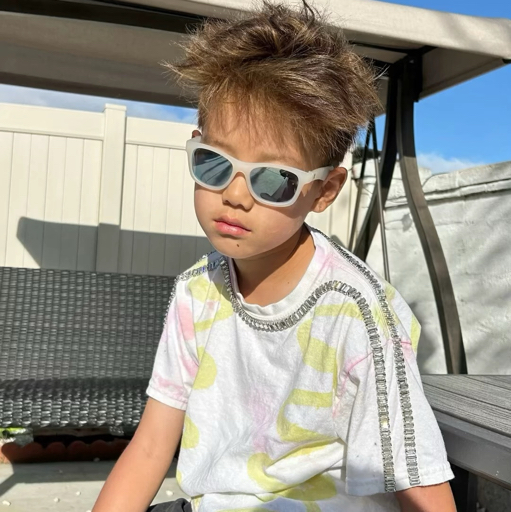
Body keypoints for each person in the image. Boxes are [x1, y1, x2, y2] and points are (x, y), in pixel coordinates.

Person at [92, 1, 457, 511]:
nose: (235, 195)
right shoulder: (197, 292)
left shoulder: (355, 311)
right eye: (214, 163)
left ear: (324, 191)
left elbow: (417, 478)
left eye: (274, 179)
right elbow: (152, 445)